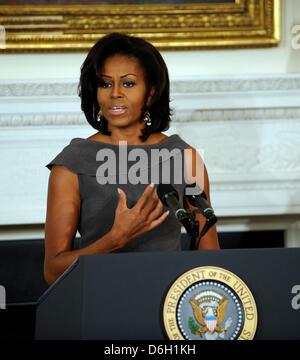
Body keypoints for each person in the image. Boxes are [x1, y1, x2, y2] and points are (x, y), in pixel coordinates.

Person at [44, 33, 219, 285]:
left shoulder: (185, 158)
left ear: (150, 92)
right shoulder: (71, 164)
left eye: (128, 84)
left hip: (170, 306)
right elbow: (52, 271)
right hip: (99, 303)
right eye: (105, 84)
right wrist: (114, 239)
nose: (115, 94)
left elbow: (209, 256)